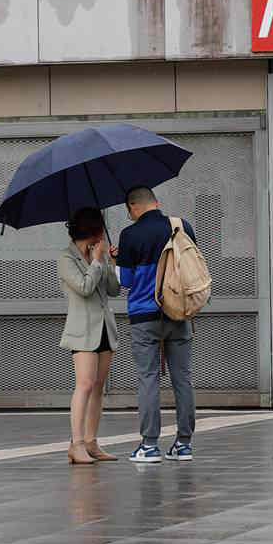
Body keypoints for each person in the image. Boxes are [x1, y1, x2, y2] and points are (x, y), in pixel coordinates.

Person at [115, 186, 196, 464]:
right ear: (156, 202)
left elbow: (125, 281)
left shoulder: (129, 235)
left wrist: (118, 260)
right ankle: (183, 444)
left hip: (144, 316)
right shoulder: (181, 226)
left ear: (133, 208)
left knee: (148, 377)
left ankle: (149, 445)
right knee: (182, 378)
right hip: (180, 312)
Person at [58, 207, 122, 465]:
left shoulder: (99, 255)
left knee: (97, 388)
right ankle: (77, 444)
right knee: (84, 384)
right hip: (83, 331)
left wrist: (112, 262)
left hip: (104, 329)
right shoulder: (66, 258)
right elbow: (84, 288)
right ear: (92, 230)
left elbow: (115, 290)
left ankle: (92, 441)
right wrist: (97, 261)